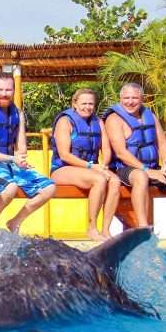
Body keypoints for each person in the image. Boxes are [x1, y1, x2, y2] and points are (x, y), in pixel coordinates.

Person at [103, 83, 166, 240]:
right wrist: (147, 170)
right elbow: (121, 153)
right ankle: (144, 229)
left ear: (142, 99)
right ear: (120, 98)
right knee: (141, 177)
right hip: (125, 169)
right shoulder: (114, 119)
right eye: (126, 98)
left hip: (152, 167)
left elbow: (163, 143)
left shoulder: (150, 116)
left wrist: (165, 162)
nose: (130, 101)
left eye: (135, 98)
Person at [0, 74, 56, 233]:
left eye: (8, 90)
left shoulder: (18, 113)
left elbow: (21, 145)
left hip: (9, 163)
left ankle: (15, 222)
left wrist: (22, 160)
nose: (4, 93)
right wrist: (13, 158)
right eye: (0, 89)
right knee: (10, 187)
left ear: (14, 90)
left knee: (49, 188)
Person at [49, 88, 121, 241]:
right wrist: (92, 167)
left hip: (92, 169)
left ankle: (106, 230)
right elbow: (64, 155)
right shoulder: (65, 121)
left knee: (115, 181)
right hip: (63, 169)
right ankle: (92, 228)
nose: (87, 107)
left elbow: (106, 149)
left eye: (91, 104)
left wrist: (104, 164)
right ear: (74, 104)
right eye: (83, 103)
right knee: (99, 180)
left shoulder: (98, 122)